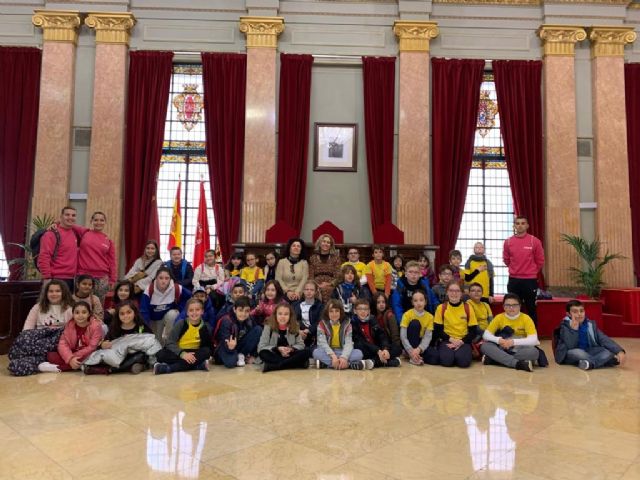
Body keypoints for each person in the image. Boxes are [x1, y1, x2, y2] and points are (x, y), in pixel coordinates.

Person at [8, 281, 74, 376]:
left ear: (63, 293)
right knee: (15, 364)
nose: (54, 294)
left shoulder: (69, 309)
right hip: (38, 337)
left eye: (57, 291)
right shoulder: (37, 307)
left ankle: (40, 362)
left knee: (63, 332)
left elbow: (70, 332)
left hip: (56, 339)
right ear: (46, 293)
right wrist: (28, 340)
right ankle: (41, 364)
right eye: (51, 291)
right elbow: (27, 329)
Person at [83, 301, 161, 375]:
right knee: (108, 356)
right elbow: (104, 342)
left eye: (129, 312)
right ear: (118, 316)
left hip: (136, 355)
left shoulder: (141, 325)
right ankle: (134, 367)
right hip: (120, 357)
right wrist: (103, 344)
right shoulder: (115, 328)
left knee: (140, 356)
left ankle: (110, 370)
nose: (126, 316)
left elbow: (150, 339)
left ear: (135, 312)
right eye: (122, 314)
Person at [554, 299, 626, 370]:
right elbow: (570, 346)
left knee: (608, 352)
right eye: (575, 312)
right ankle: (602, 361)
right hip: (570, 353)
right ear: (568, 314)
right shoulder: (564, 326)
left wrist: (619, 351)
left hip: (587, 350)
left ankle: (589, 364)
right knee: (579, 353)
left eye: (581, 311)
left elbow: (603, 339)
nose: (579, 314)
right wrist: (574, 330)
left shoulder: (590, 324)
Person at [480, 293, 540, 372]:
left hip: (519, 348)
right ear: (503, 307)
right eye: (508, 305)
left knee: (534, 353)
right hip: (502, 347)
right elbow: (486, 335)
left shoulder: (526, 318)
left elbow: (533, 340)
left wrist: (513, 342)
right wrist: (499, 340)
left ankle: (495, 359)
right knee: (485, 346)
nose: (511, 308)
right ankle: (517, 364)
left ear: (520, 306)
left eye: (514, 305)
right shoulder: (499, 317)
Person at [38, 301, 103, 373]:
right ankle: (76, 366)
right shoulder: (70, 325)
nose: (80, 315)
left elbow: (92, 347)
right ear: (73, 314)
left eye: (84, 312)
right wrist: (70, 358)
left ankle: (58, 368)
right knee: (51, 355)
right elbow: (62, 344)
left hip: (88, 353)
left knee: (90, 358)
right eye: (77, 313)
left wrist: (73, 357)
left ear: (89, 314)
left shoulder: (96, 326)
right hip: (73, 352)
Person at [503, 216, 545, 324]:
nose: (520, 225)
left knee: (531, 308)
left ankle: (532, 335)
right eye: (517, 223)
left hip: (529, 281)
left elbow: (540, 260)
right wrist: (516, 270)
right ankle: (514, 334)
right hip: (514, 280)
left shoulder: (534, 241)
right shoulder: (508, 242)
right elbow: (506, 260)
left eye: (522, 223)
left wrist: (531, 271)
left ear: (527, 226)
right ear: (514, 226)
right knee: (512, 309)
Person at [154, 298, 212, 374]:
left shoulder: (206, 327)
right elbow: (170, 342)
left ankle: (168, 368)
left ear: (202, 311)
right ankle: (197, 366)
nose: (194, 313)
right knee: (160, 355)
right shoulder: (181, 324)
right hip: (179, 352)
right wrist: (183, 354)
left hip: (195, 353)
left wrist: (193, 355)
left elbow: (206, 346)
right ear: (187, 312)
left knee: (206, 352)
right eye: (191, 310)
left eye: (197, 310)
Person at [426, 282, 478, 368]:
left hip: (463, 340)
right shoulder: (441, 308)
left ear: (461, 293)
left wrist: (461, 342)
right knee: (447, 361)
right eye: (451, 290)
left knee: (463, 362)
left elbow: (473, 331)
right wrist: (452, 340)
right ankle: (452, 354)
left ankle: (461, 354)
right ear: (447, 292)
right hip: (447, 340)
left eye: (457, 291)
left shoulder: (468, 308)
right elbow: (438, 330)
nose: (454, 293)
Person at [73, 211, 117, 302]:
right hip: (82, 275)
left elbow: (112, 262)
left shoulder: (108, 240)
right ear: (91, 221)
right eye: (96, 220)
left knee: (98, 306)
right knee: (80, 305)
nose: (98, 222)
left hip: (101, 279)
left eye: (101, 220)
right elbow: (68, 224)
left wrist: (112, 280)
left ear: (105, 222)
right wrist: (56, 224)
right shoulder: (84, 232)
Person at [139, 266, 191, 343]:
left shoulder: (176, 288)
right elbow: (144, 312)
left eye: (167, 278)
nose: (163, 281)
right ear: (156, 278)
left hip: (167, 317)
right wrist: (143, 330)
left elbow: (190, 297)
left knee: (173, 314)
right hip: (154, 320)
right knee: (156, 342)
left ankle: (169, 340)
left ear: (170, 279)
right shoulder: (149, 290)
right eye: (161, 278)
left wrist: (181, 310)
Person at [312, 299, 366, 370]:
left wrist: (344, 357)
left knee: (359, 353)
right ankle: (348, 365)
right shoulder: (322, 324)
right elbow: (322, 343)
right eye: (331, 311)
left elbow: (348, 343)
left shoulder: (347, 324)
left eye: (337, 311)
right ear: (327, 313)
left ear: (341, 312)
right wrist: (333, 356)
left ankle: (328, 365)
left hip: (342, 351)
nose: (334, 314)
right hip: (328, 352)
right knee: (316, 353)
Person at [38, 206, 81, 291]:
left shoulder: (74, 233)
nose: (70, 217)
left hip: (72, 279)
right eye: (67, 215)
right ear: (61, 217)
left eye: (73, 215)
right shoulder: (51, 234)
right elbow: (44, 256)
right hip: (55, 279)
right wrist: (47, 278)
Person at [258, 303, 310, 372]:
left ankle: (273, 366)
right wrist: (277, 349)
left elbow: (301, 345)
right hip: (275, 354)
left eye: (286, 314)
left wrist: (291, 349)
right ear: (275, 315)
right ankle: (296, 364)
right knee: (263, 353)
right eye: (280, 314)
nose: (283, 317)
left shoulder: (295, 325)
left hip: (289, 354)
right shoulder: (268, 326)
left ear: (290, 316)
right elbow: (261, 347)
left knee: (307, 352)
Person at [213, 296, 262, 368]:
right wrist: (230, 349)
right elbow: (223, 343)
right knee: (230, 363)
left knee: (258, 329)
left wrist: (253, 355)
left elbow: (254, 338)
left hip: (238, 346)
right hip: (224, 348)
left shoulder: (250, 319)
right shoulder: (226, 321)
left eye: (247, 311)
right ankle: (238, 356)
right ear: (234, 309)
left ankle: (240, 355)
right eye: (240, 310)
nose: (243, 314)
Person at [351, 298, 400, 368]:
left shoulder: (372, 319)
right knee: (359, 347)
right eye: (360, 309)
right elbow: (360, 341)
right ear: (355, 311)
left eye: (365, 309)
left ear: (369, 311)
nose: (363, 311)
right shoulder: (353, 323)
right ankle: (387, 361)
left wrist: (385, 349)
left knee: (397, 348)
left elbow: (382, 336)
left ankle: (374, 362)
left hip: (377, 348)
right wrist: (377, 350)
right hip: (366, 349)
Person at [399, 289, 434, 366]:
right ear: (412, 302)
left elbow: (428, 337)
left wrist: (419, 349)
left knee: (434, 358)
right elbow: (403, 336)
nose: (418, 303)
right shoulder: (407, 314)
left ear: (425, 302)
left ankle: (415, 355)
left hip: (421, 343)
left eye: (421, 300)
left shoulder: (430, 317)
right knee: (415, 323)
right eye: (415, 300)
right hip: (409, 342)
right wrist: (410, 350)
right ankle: (412, 357)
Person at [308, 234, 342, 302]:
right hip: (316, 284)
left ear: (331, 245)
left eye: (328, 242)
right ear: (320, 243)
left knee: (329, 291)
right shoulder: (313, 258)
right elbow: (310, 276)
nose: (325, 244)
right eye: (323, 241)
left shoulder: (336, 258)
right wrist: (316, 285)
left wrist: (329, 284)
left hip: (331, 285)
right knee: (312, 291)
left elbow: (338, 276)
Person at [275, 237, 309, 302]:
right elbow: (278, 278)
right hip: (284, 292)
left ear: (301, 249)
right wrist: (287, 291)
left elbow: (305, 278)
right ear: (289, 248)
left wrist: (297, 292)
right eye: (293, 246)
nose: (296, 247)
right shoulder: (282, 262)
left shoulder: (304, 262)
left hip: (299, 293)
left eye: (298, 246)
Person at [292, 280, 324, 348]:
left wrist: (309, 330)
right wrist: (299, 331)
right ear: (303, 291)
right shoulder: (295, 305)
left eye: (312, 290)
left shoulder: (320, 306)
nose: (309, 291)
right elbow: (293, 320)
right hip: (299, 332)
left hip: (314, 333)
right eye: (306, 289)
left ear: (315, 292)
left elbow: (320, 321)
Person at [372, 292, 402, 358]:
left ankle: (384, 356)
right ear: (374, 304)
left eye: (383, 302)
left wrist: (396, 346)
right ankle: (383, 357)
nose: (381, 304)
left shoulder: (390, 315)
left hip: (389, 344)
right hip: (379, 344)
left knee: (397, 350)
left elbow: (395, 334)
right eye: (378, 302)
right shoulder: (373, 316)